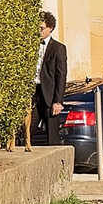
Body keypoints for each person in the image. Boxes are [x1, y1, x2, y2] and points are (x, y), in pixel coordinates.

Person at [30, 11, 68, 145]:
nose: (38, 31)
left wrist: (58, 101)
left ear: (50, 28)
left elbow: (61, 75)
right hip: (33, 93)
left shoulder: (58, 48)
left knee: (52, 135)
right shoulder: (30, 46)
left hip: (49, 95)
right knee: (27, 129)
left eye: (41, 28)